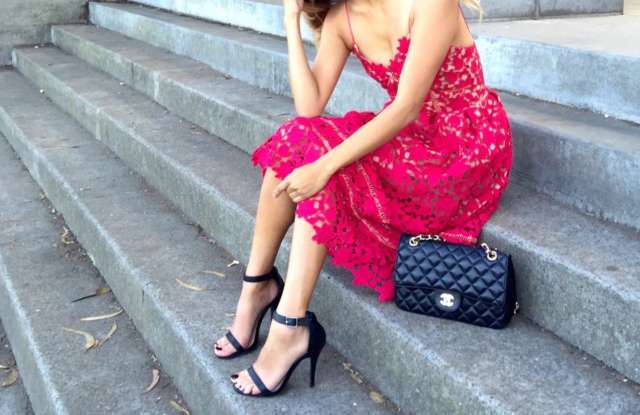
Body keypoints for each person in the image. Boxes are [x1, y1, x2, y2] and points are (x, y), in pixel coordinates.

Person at [214, 0, 513, 397]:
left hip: (464, 147)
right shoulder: (343, 21)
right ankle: (257, 286)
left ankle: (289, 327)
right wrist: (290, 20)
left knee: (327, 168)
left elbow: (406, 107)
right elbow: (309, 108)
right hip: (409, 137)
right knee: (294, 140)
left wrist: (324, 167)